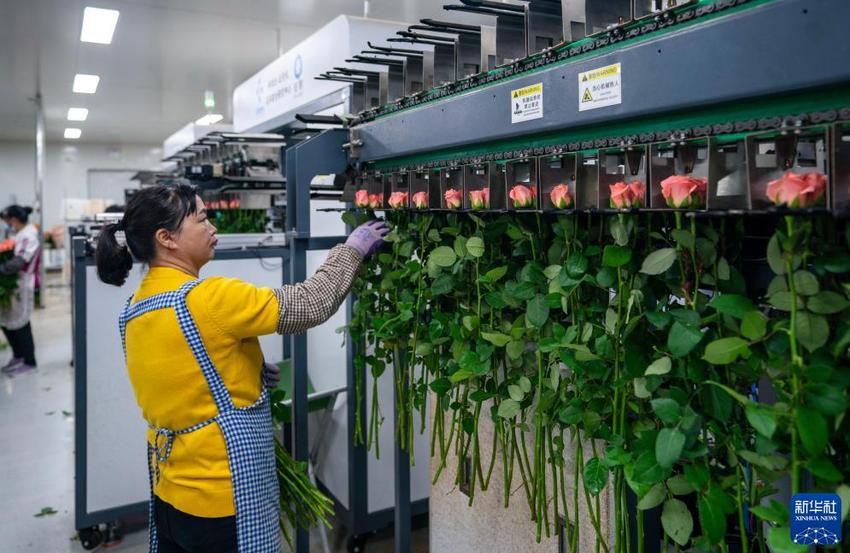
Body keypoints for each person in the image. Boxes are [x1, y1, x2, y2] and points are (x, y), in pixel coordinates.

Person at [94, 183, 387, 553]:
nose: (213, 228)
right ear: (167, 238)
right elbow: (308, 304)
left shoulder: (135, 308)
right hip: (222, 498)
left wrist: (242, 366)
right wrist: (352, 250)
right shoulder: (209, 299)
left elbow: (177, 376)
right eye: (201, 219)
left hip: (170, 493)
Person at [1, 205, 40, 375]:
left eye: (7, 220)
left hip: (22, 283)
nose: (7, 224)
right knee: (7, 319)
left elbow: (19, 262)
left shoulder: (29, 235)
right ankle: (18, 356)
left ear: (14, 220)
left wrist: (1, 268)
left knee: (20, 322)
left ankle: (29, 361)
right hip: (14, 283)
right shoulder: (21, 233)